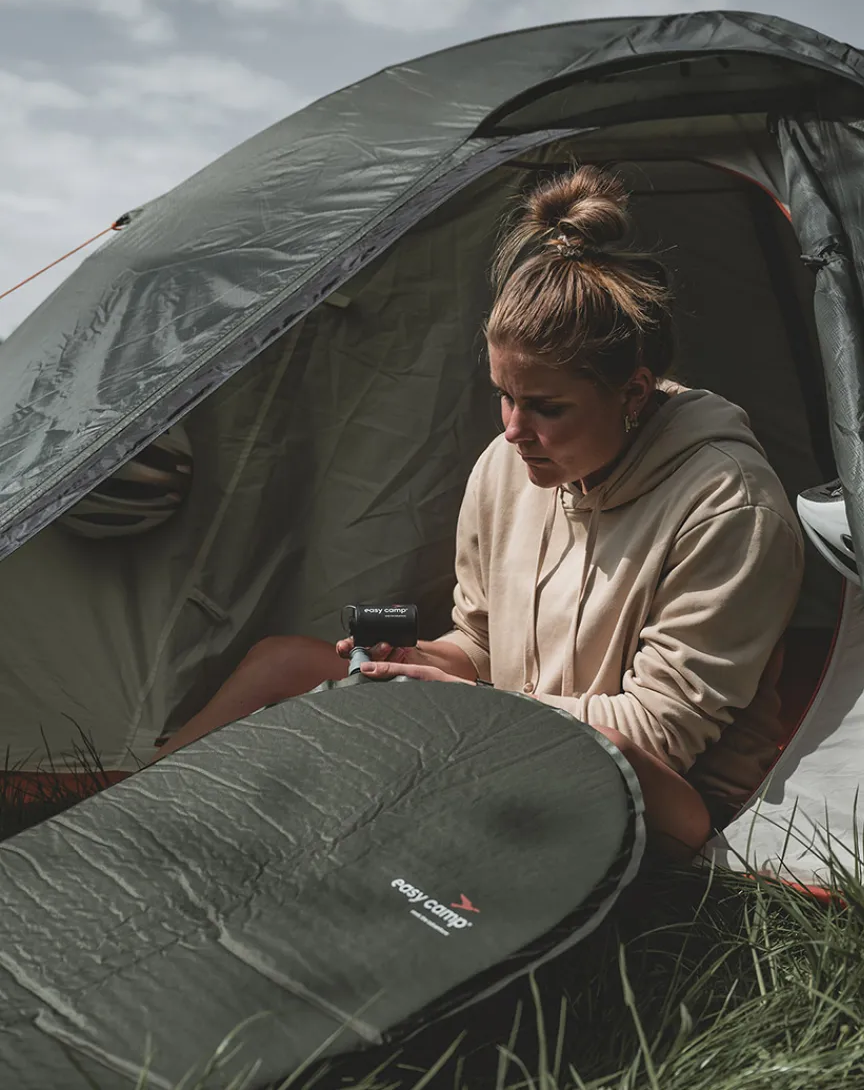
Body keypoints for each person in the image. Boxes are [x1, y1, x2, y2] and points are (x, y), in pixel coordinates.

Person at [154, 166, 804, 861]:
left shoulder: (729, 504)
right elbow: (484, 647)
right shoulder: (506, 464)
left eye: (547, 408)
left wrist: (463, 709)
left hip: (661, 796)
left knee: (397, 797)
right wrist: (418, 663)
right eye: (504, 395)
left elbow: (654, 733)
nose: (516, 429)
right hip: (508, 734)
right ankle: (133, 817)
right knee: (280, 663)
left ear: (635, 391)